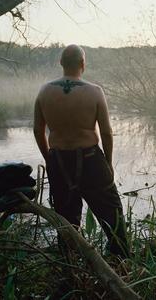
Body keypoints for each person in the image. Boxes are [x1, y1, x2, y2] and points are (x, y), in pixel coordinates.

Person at [33, 44, 129, 258]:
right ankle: (120, 260)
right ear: (83, 64)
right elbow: (106, 132)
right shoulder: (94, 92)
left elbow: (38, 130)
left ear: (61, 63)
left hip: (59, 160)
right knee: (112, 215)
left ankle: (70, 265)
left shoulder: (45, 91)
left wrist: (49, 157)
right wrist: (109, 163)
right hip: (90, 160)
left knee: (66, 220)